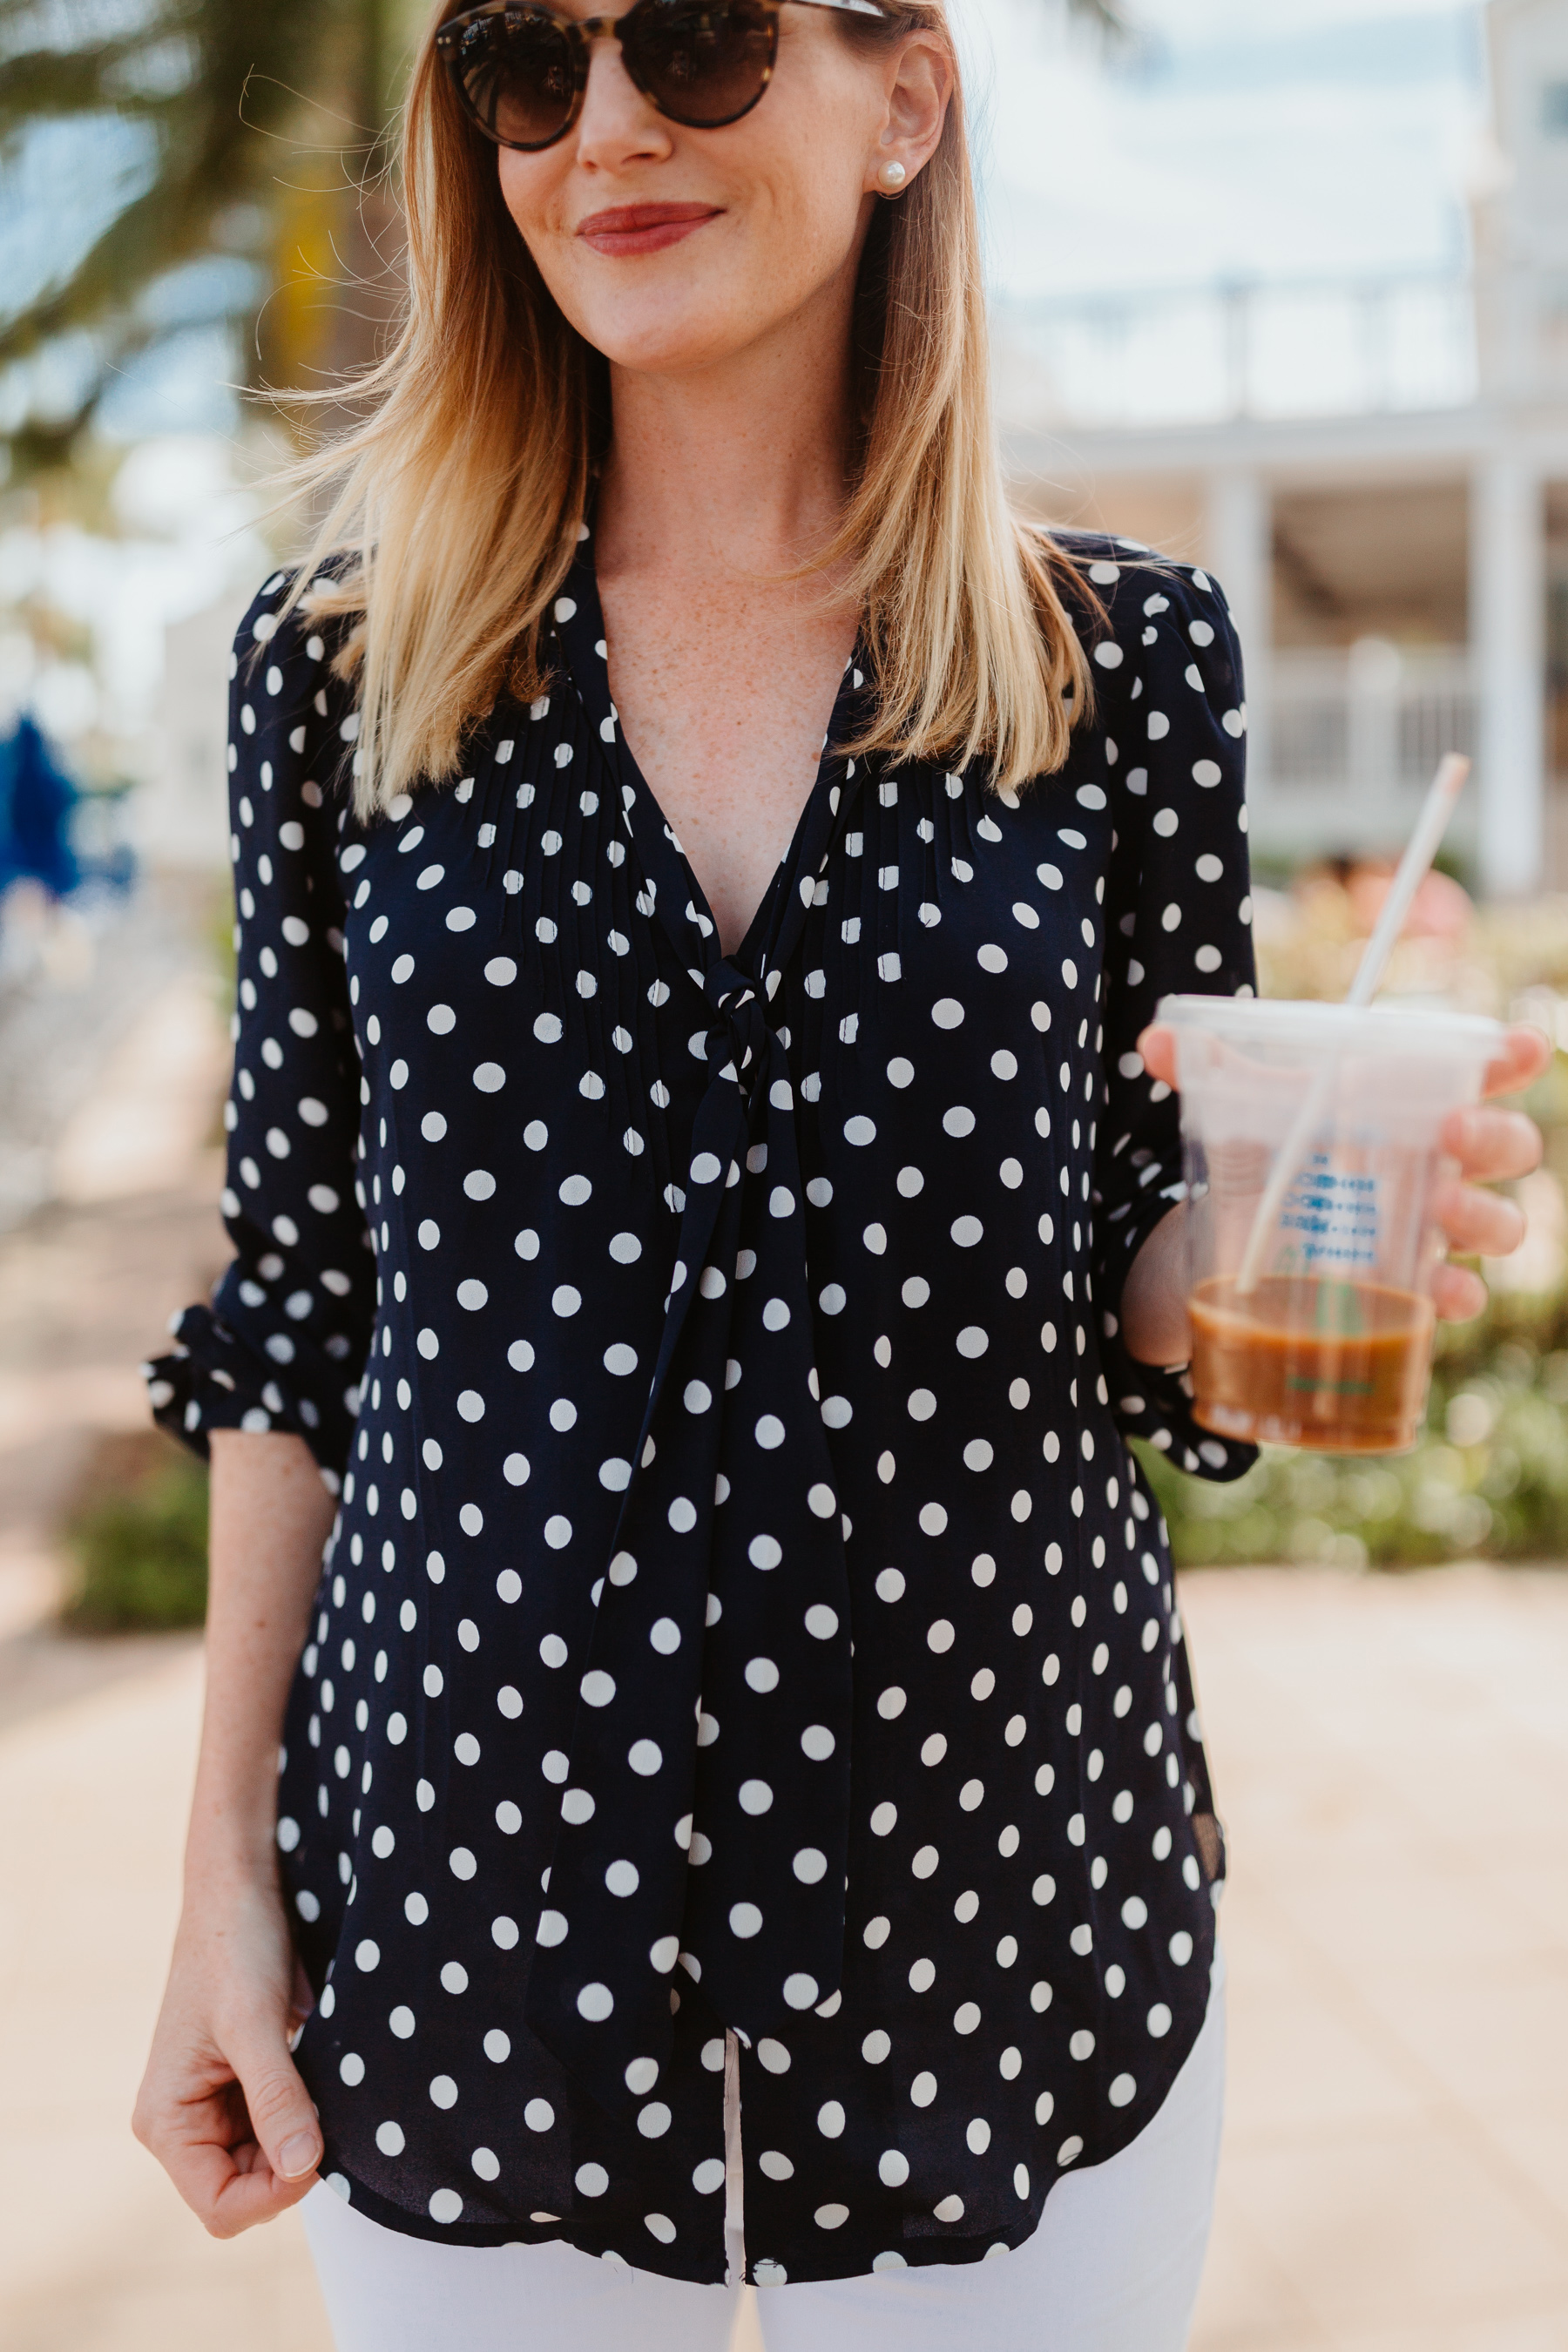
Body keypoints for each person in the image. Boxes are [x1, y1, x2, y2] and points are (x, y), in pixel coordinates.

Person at [132, 0, 1550, 2344]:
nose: (602, 132)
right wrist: (220, 1883)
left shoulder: (1128, 664)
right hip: (476, 1915)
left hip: (1003, 1915)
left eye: (690, 40)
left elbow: (1137, 1250)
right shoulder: (340, 671)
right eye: (521, 63)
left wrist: (1323, 1223)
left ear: (906, 95)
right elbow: (302, 1312)